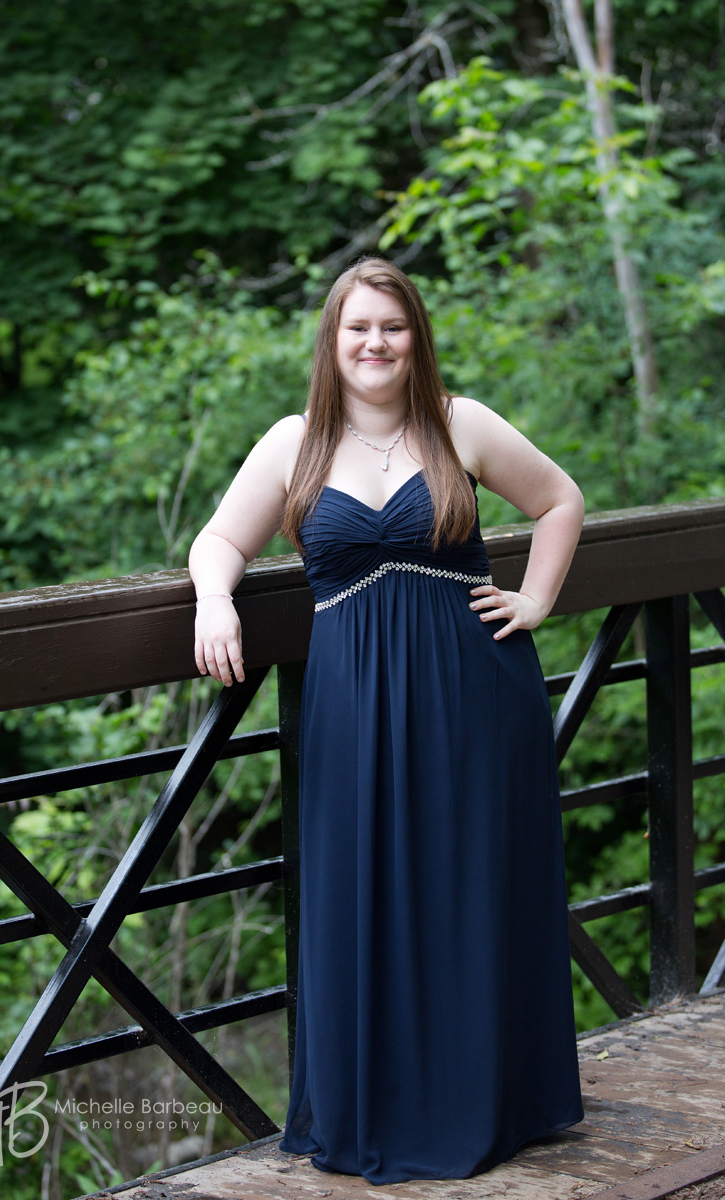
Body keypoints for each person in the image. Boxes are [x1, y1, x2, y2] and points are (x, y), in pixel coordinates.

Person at [188, 256, 586, 1185]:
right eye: (358, 326)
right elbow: (219, 539)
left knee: (470, 895)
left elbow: (560, 499)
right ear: (333, 339)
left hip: (475, 698)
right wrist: (214, 599)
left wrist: (535, 599)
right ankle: (376, 1108)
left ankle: (490, 1104)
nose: (376, 342)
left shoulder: (460, 423)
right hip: (353, 708)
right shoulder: (293, 443)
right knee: (361, 893)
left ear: (416, 338)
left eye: (393, 327)